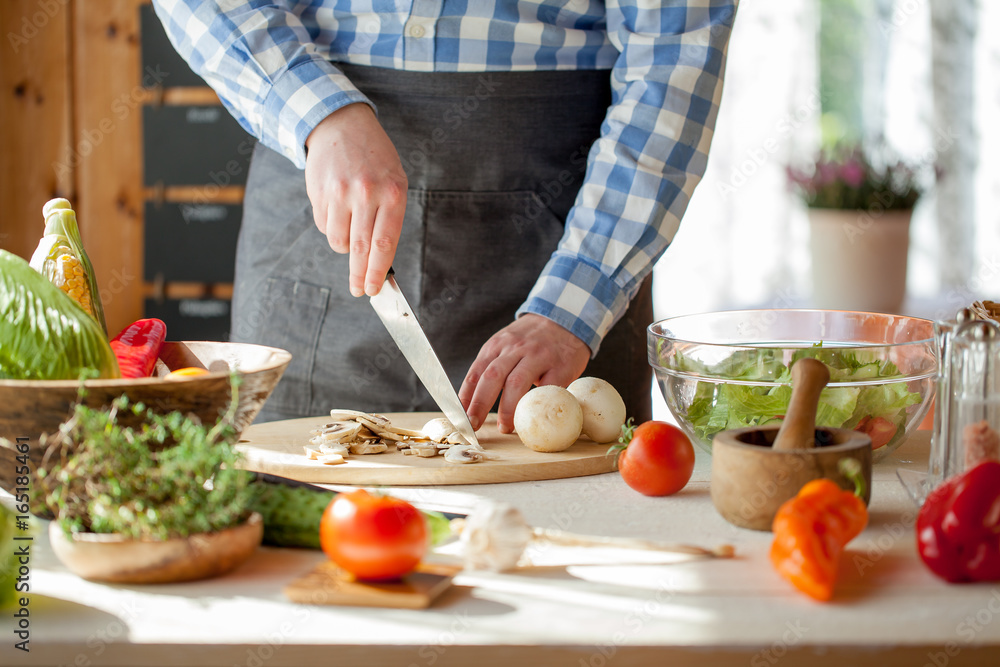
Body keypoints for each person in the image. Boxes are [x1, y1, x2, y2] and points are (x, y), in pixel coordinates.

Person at [152, 1, 738, 433]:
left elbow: (676, 58)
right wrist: (315, 110)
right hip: (313, 176)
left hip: (574, 223)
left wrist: (575, 304)